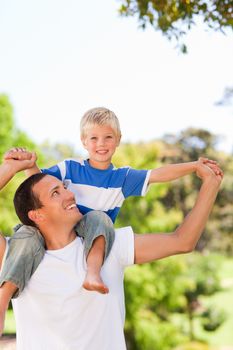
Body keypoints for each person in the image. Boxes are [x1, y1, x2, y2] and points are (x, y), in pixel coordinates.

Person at [0, 107, 221, 334]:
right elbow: (38, 188)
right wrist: (14, 166)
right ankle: (3, 297)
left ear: (118, 140)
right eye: (94, 138)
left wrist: (195, 167)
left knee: (99, 218)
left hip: (96, 234)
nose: (101, 144)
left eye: (108, 138)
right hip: (44, 234)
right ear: (84, 141)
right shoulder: (69, 169)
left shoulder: (121, 179)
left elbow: (157, 174)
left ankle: (93, 271)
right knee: (26, 235)